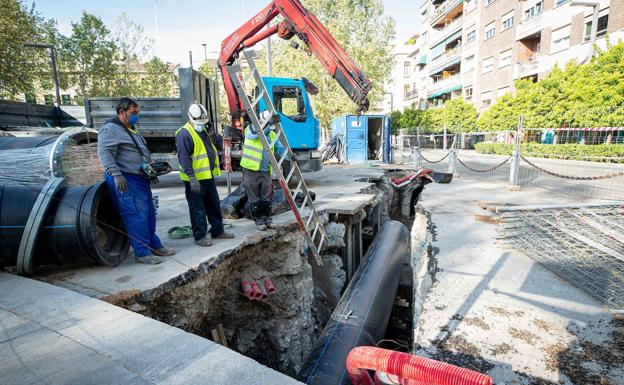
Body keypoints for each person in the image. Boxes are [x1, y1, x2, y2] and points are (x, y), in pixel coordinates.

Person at [98, 97, 175, 265]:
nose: (136, 116)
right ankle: (142, 253)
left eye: (137, 113)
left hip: (139, 179)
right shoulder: (110, 129)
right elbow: (105, 153)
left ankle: (154, 246)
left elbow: (138, 153)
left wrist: (150, 172)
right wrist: (116, 174)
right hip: (126, 179)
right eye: (133, 113)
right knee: (135, 216)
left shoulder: (131, 129)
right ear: (122, 112)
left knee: (148, 215)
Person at [176, 103, 235, 246]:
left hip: (207, 177)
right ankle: (200, 236)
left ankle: (218, 231)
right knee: (198, 209)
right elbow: (184, 158)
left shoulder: (204, 130)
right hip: (195, 180)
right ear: (190, 118)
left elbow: (218, 144)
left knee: (214, 205)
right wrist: (191, 178)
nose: (201, 125)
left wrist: (214, 135)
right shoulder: (184, 134)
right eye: (199, 122)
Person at [240, 112, 287, 231]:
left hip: (265, 171)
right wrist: (268, 124)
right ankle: (259, 221)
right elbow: (256, 135)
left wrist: (290, 157)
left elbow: (280, 148)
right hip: (251, 169)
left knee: (267, 197)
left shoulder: (271, 134)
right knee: (254, 198)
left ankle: (268, 219)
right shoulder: (250, 128)